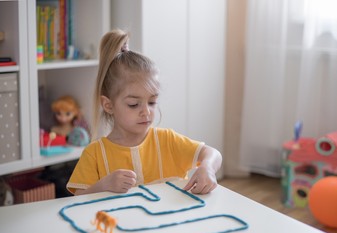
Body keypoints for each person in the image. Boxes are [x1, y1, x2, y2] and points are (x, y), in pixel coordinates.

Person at [66, 29, 222, 195]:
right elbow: (78, 199)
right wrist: (103, 186)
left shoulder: (168, 140)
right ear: (108, 105)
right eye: (134, 104)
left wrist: (207, 168)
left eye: (152, 102)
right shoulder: (94, 153)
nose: (146, 112)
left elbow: (213, 153)